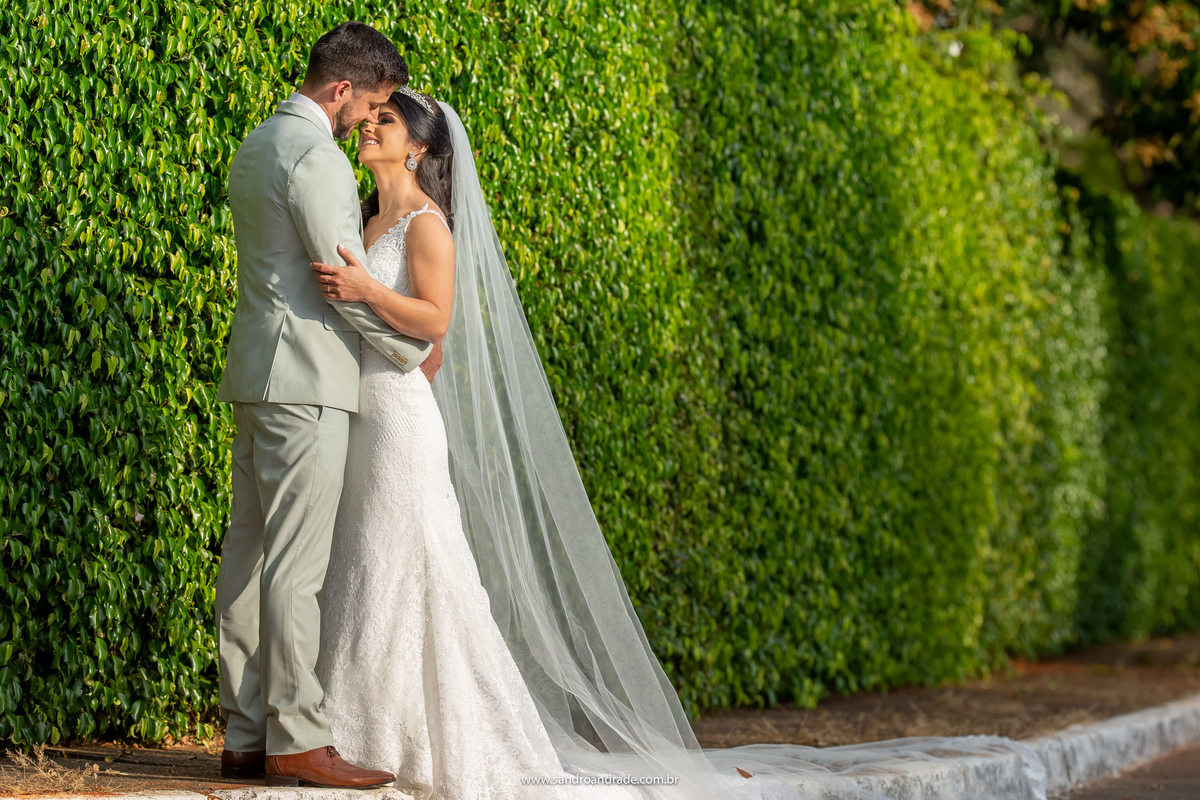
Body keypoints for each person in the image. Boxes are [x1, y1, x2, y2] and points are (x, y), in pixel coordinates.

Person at [308, 91, 1052, 800]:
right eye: (370, 117)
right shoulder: (371, 217)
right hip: (369, 408)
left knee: (410, 559)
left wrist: (365, 293)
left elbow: (436, 322)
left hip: (403, 421)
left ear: (423, 145)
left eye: (386, 121)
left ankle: (425, 741)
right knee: (371, 558)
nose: (370, 127)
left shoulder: (428, 225)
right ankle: (361, 725)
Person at [214, 22, 432, 789]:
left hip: (255, 375)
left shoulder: (255, 142)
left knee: (246, 559)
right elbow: (342, 283)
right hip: (305, 382)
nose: (366, 121)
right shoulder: (318, 160)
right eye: (368, 103)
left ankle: (244, 734)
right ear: (341, 89)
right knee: (295, 566)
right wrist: (412, 351)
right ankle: (297, 738)